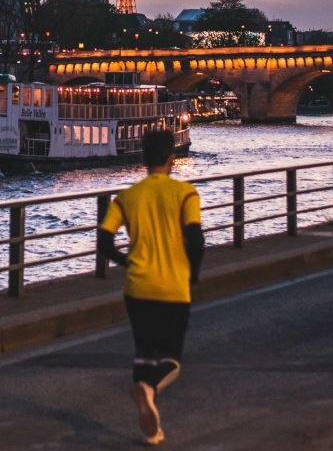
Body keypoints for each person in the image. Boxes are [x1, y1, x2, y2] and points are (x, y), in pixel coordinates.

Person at [99, 128, 205, 446]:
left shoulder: (126, 198)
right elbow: (197, 241)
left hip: (138, 287)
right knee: (170, 358)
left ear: (144, 159)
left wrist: (126, 261)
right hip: (173, 286)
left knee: (144, 353)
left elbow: (104, 242)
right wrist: (192, 273)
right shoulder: (186, 194)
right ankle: (150, 391)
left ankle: (153, 430)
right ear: (171, 160)